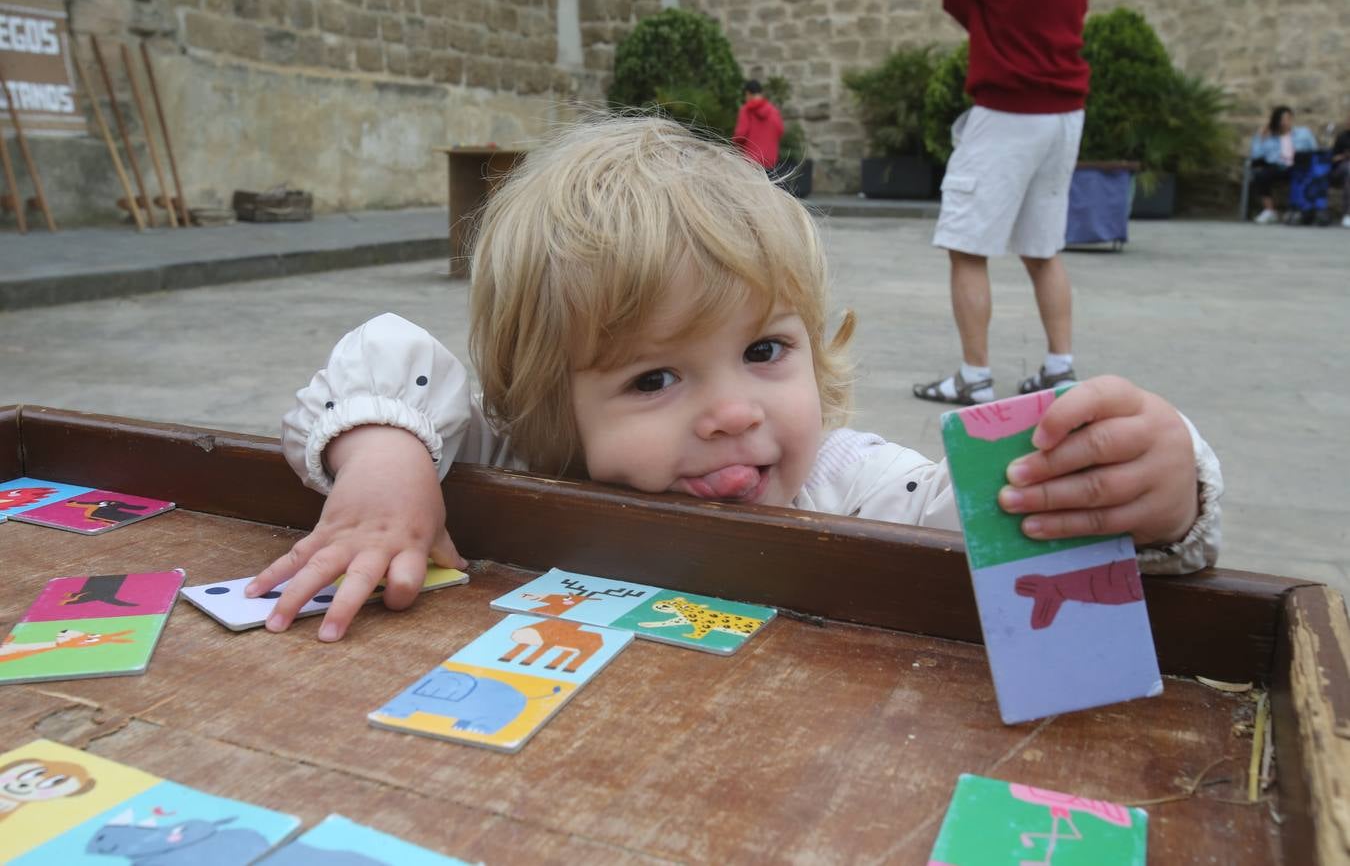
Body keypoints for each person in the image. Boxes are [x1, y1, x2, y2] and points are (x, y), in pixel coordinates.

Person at [252, 116, 1222, 642]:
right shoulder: (522, 461)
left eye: (764, 352)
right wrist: (386, 474)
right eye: (655, 377)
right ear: (552, 407)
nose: (730, 413)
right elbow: (384, 357)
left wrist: (1155, 494)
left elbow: (999, 526)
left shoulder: (852, 485)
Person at [905, 0, 1090, 407]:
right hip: (1064, 113)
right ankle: (1059, 368)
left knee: (966, 246)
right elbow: (988, 6)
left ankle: (975, 376)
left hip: (1010, 111)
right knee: (1043, 250)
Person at [1249, 105, 1319, 224]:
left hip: (1299, 166)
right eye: (1282, 119)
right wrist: (1260, 138)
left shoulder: (1304, 133)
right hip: (1278, 167)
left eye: (1288, 118)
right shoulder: (1269, 137)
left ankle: (1303, 211)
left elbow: (1314, 151)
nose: (1285, 122)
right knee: (1262, 175)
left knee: (1306, 175)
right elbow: (1256, 155)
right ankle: (1269, 211)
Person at [732, 79, 784, 171]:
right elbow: (780, 131)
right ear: (761, 93)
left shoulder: (746, 110)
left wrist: (733, 145)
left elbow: (741, 135)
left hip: (750, 162)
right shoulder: (773, 111)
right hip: (770, 162)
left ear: (748, 94)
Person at [1329, 108, 1350, 229]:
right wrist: (1344, 156)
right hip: (1341, 168)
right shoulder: (1342, 137)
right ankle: (1347, 213)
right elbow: (1332, 158)